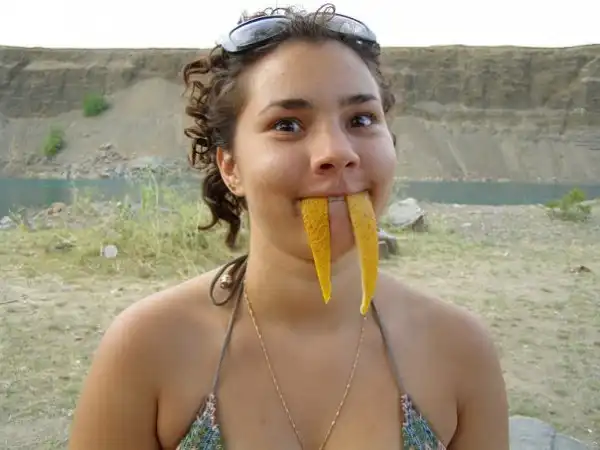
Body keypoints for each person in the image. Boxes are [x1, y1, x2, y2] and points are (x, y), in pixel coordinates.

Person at [68, 4, 510, 449]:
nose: (337, 152)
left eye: (361, 119)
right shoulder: (146, 348)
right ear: (230, 167)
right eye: (287, 125)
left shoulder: (461, 350)